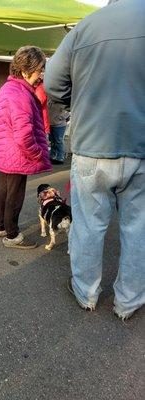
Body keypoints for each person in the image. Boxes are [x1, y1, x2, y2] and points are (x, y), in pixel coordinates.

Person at [45, 0, 145, 320]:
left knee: (88, 224)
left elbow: (52, 84)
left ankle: (86, 292)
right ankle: (128, 301)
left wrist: (81, 101)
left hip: (92, 143)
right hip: (141, 145)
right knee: (138, 228)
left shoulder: (86, 26)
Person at [0, 46, 52, 249]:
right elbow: (24, 135)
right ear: (25, 71)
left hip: (5, 151)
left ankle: (0, 227)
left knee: (4, 190)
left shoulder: (9, 88)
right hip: (17, 153)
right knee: (14, 194)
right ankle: (13, 235)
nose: (41, 74)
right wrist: (37, 154)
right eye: (39, 69)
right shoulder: (21, 94)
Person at [47, 99, 69, 164]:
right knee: (52, 141)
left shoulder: (62, 101)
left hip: (59, 125)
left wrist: (60, 118)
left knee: (59, 141)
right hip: (51, 124)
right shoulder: (49, 100)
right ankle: (52, 156)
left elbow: (67, 112)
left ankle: (60, 158)